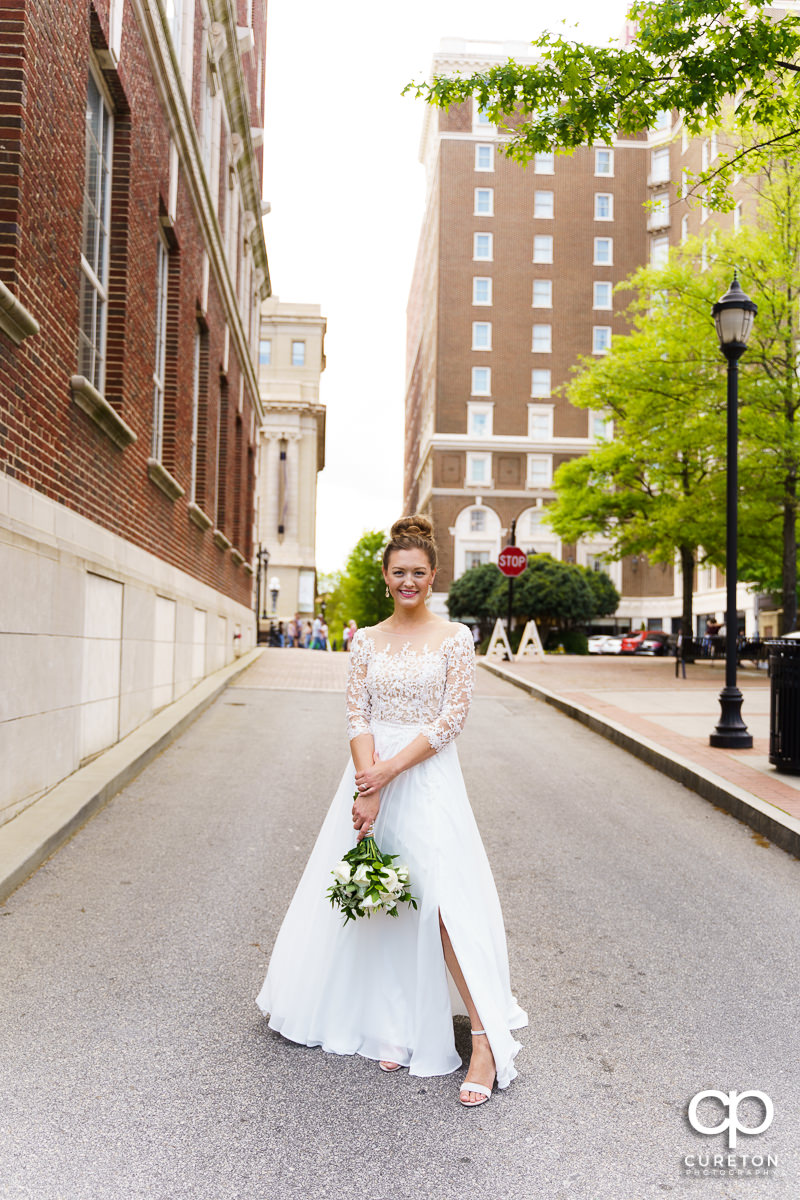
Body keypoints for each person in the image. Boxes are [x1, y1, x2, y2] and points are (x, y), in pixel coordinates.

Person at [256, 515, 527, 1108]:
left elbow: (450, 722)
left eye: (418, 573)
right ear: (386, 577)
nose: (408, 581)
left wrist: (387, 771)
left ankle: (482, 1040)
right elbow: (357, 715)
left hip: (427, 779)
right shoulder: (366, 641)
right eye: (398, 572)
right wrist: (367, 783)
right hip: (370, 778)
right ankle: (397, 1023)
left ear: (433, 578)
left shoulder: (455, 638)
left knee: (442, 906)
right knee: (386, 900)